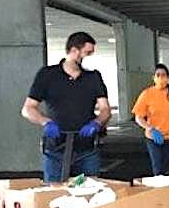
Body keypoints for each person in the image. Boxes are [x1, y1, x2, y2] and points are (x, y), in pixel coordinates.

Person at [21, 32, 111, 182]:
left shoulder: (93, 77)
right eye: (87, 53)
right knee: (54, 192)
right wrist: (45, 122)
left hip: (86, 147)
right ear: (74, 50)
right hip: (56, 148)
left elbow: (105, 109)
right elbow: (28, 108)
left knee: (91, 191)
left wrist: (97, 122)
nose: (88, 57)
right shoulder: (47, 75)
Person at [132, 64, 169, 175]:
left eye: (163, 75)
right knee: (158, 171)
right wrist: (150, 129)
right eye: (158, 75)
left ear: (168, 78)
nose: (161, 78)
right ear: (153, 77)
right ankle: (162, 191)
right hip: (155, 138)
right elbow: (138, 117)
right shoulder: (146, 94)